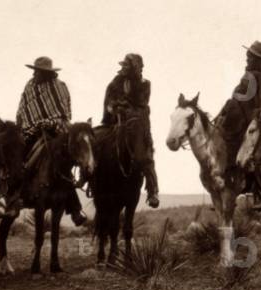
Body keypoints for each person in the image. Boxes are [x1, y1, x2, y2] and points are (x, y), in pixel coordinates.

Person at [16, 56, 87, 226]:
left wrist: (50, 122)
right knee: (21, 157)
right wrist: (26, 126)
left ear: (46, 73)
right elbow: (23, 108)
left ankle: (75, 208)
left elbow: (64, 111)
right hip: (32, 130)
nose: (34, 74)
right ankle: (16, 196)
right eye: (34, 70)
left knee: (64, 165)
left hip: (57, 130)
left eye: (38, 71)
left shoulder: (59, 86)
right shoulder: (29, 85)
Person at [218, 41, 261, 210]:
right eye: (247, 57)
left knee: (256, 150)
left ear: (258, 59)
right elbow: (239, 94)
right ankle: (234, 186)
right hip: (247, 117)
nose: (247, 60)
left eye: (250, 57)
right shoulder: (250, 75)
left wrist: (259, 115)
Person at [101, 53, 159, 208]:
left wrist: (125, 105)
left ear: (135, 67)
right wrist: (114, 107)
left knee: (146, 154)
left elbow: (141, 103)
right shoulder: (115, 82)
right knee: (96, 139)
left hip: (138, 125)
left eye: (127, 65)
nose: (123, 68)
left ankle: (152, 190)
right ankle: (87, 176)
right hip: (116, 121)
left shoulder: (145, 84)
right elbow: (109, 101)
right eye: (123, 65)